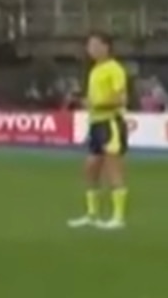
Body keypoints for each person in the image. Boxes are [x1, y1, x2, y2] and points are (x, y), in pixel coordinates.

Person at [68, 33, 129, 230]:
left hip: (109, 122)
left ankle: (118, 217)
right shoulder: (95, 70)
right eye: (89, 46)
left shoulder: (115, 69)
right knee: (91, 168)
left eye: (94, 45)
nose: (90, 49)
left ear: (106, 46)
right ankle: (91, 214)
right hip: (96, 123)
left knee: (113, 168)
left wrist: (96, 104)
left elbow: (121, 99)